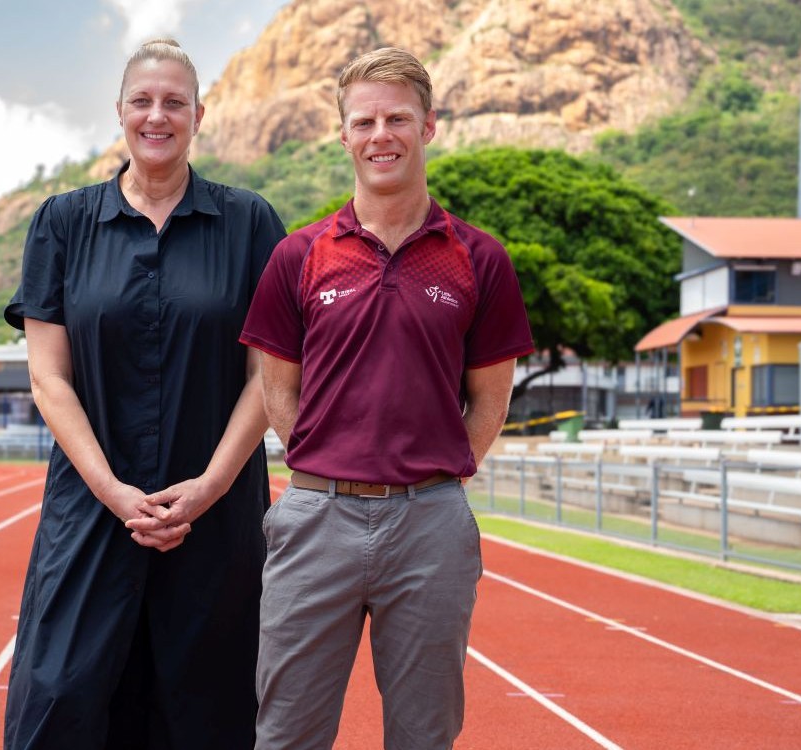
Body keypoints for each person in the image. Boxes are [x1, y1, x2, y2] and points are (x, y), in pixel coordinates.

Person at [239, 47, 534, 749]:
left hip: (430, 522)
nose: (382, 135)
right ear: (343, 135)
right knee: (286, 734)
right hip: (316, 518)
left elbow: (491, 400)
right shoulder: (299, 256)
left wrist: (436, 477)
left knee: (425, 735)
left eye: (397, 118)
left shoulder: (480, 258)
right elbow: (277, 389)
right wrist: (327, 465)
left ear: (428, 126)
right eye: (365, 121)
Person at [1, 38, 286, 749]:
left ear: (199, 115)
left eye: (174, 103)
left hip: (215, 515)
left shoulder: (250, 223)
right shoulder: (63, 223)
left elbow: (270, 377)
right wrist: (112, 491)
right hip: (91, 510)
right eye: (143, 101)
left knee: (208, 713)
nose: (157, 116)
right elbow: (49, 377)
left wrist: (209, 487)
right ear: (120, 112)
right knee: (60, 701)